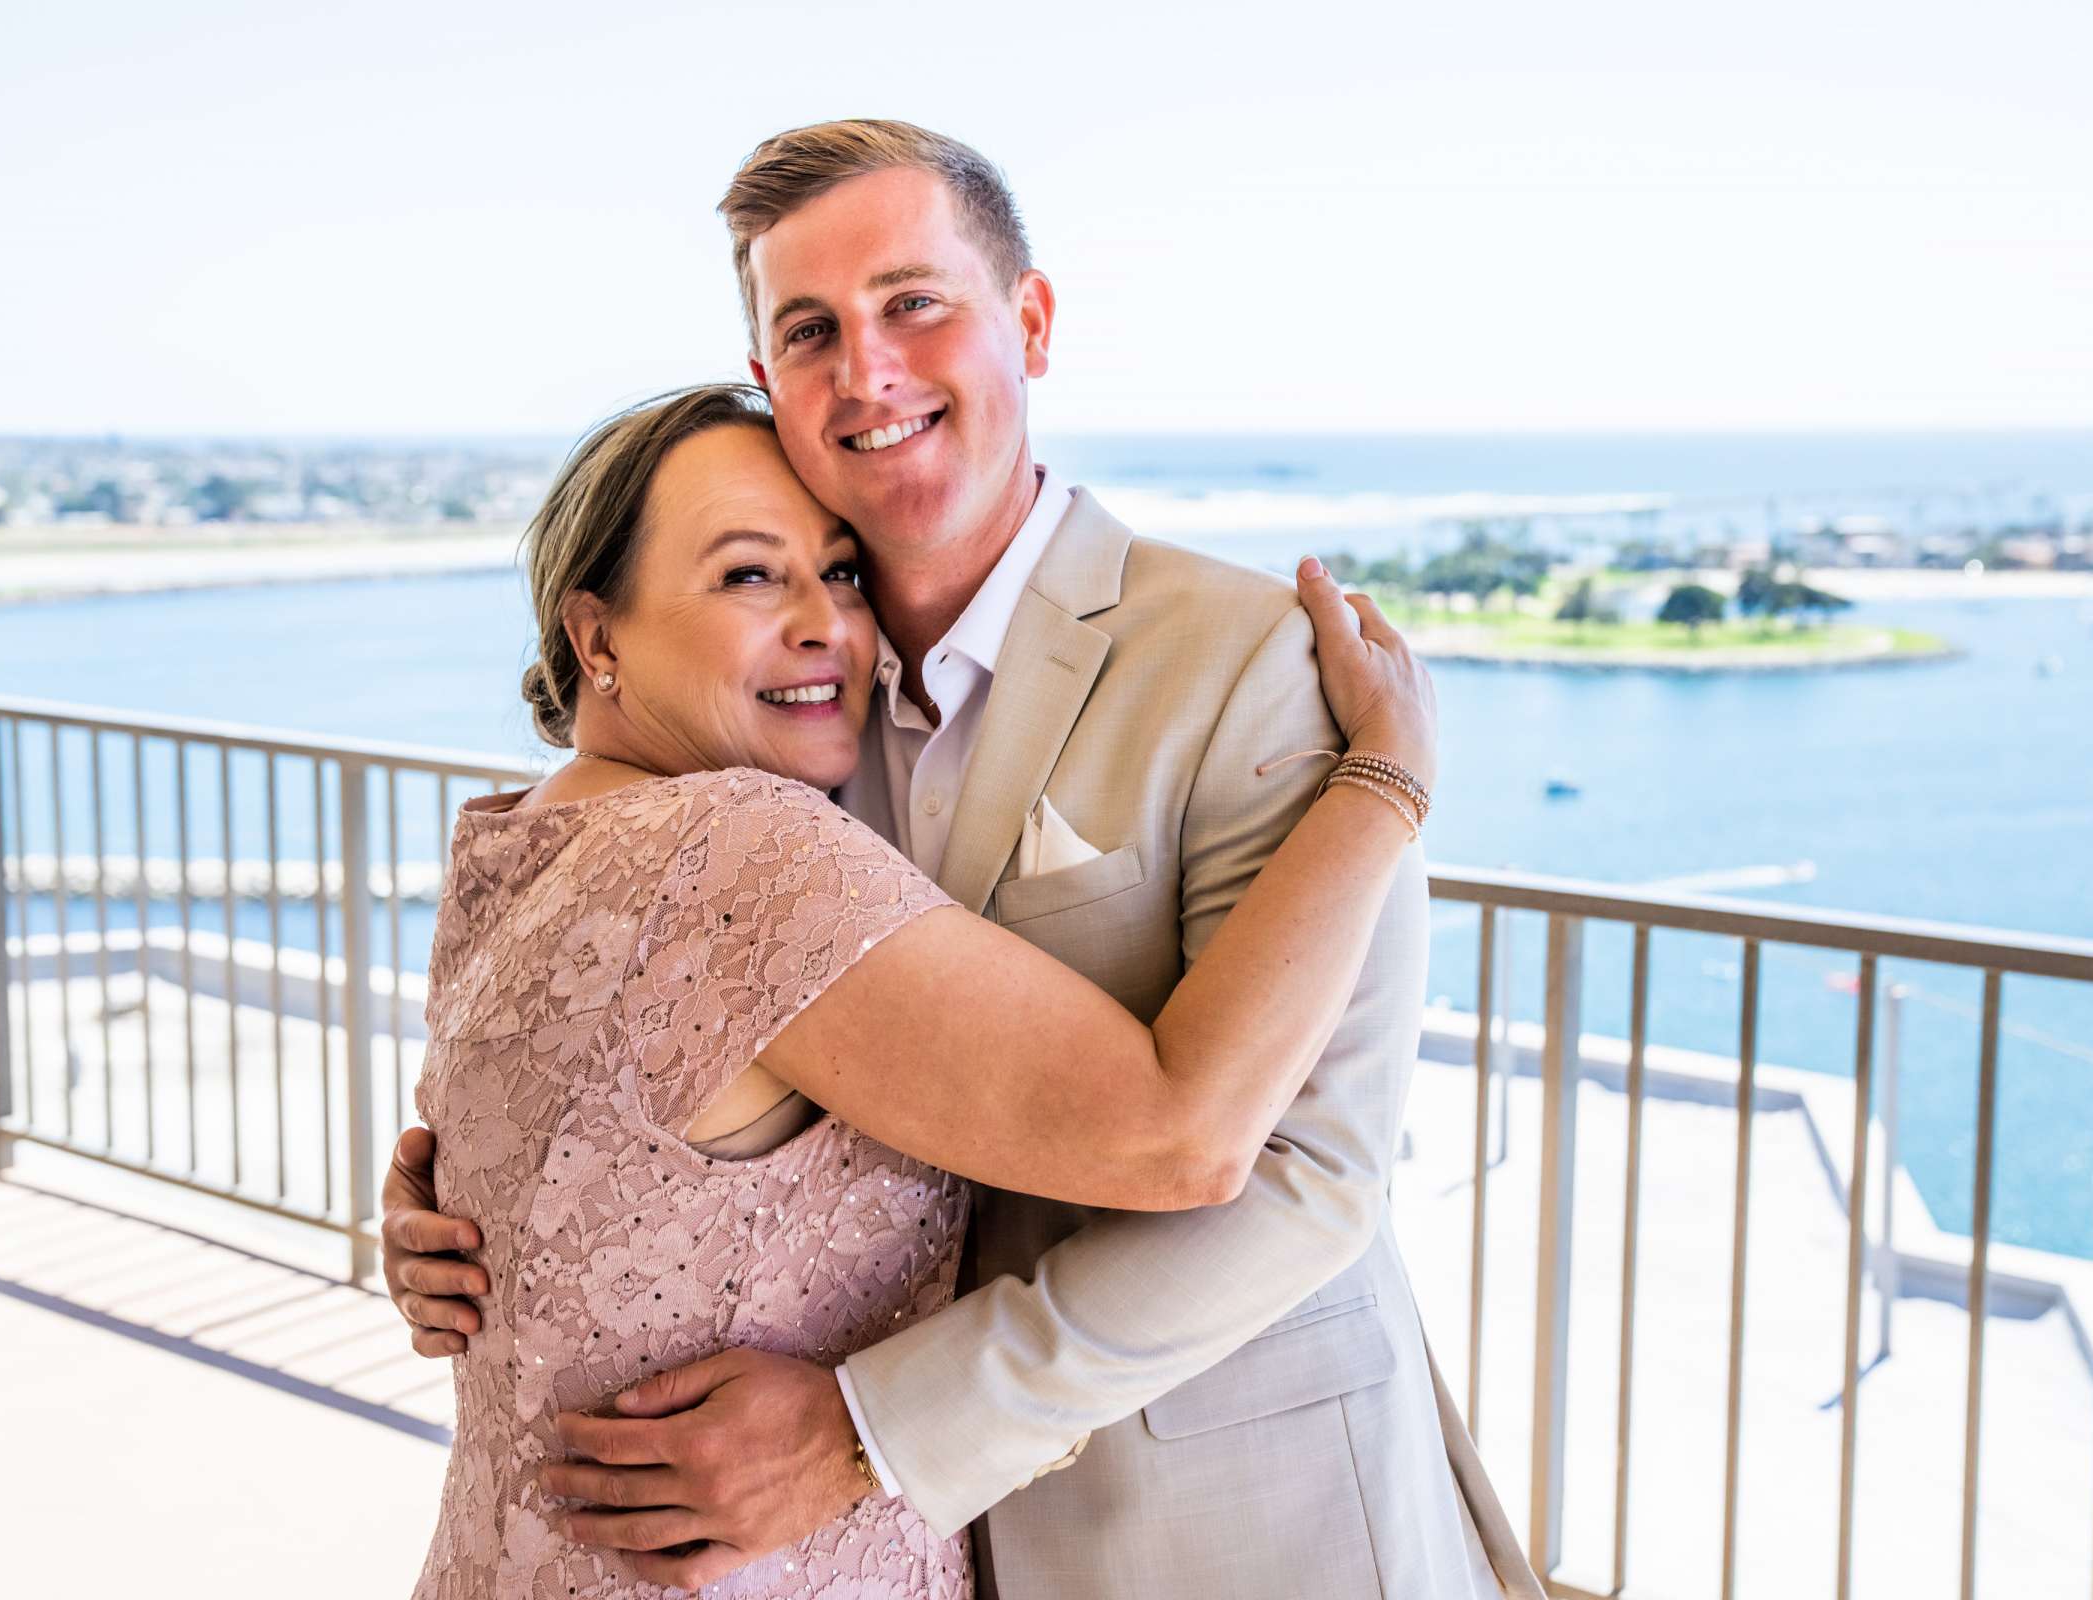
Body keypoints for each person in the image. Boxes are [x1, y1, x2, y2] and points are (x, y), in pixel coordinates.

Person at [389, 121, 1540, 1599]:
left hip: (1231, 1514)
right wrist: (503, 1213)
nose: (866, 369)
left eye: (913, 302)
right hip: (884, 1545)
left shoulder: (1252, 659)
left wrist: (881, 1430)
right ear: (772, 385)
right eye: (811, 331)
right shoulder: (780, 720)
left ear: (1032, 323)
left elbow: (1309, 1173)